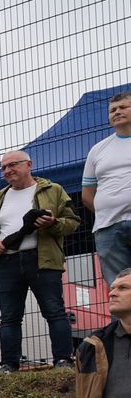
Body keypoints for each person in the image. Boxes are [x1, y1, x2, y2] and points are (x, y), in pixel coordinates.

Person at [0, 149, 80, 371]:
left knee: (54, 311)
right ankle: (8, 365)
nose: (7, 170)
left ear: (29, 165)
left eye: (12, 164)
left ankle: (63, 360)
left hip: (41, 258)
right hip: (7, 261)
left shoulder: (53, 190)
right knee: (9, 317)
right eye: (3, 167)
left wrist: (52, 224)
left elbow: (72, 222)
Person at [83, 91, 131, 283]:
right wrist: (107, 210)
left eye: (123, 107)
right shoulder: (97, 150)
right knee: (118, 286)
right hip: (107, 226)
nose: (117, 112)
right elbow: (88, 194)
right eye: (112, 110)